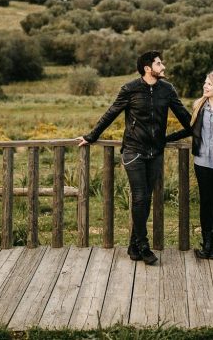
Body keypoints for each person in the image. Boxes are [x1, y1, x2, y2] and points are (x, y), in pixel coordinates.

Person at [76, 50, 192, 265]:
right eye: (159, 64)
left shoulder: (167, 90)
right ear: (148, 68)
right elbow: (111, 113)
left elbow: (188, 122)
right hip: (133, 151)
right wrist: (91, 137)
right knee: (140, 196)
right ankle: (144, 245)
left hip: (155, 153)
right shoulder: (130, 89)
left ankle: (133, 245)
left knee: (145, 199)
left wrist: (166, 139)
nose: (163, 66)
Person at [167, 69, 213, 260]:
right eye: (205, 83)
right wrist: (164, 139)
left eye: (209, 84)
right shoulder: (198, 106)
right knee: (205, 203)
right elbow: (190, 130)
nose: (205, 86)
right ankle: (206, 242)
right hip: (201, 163)